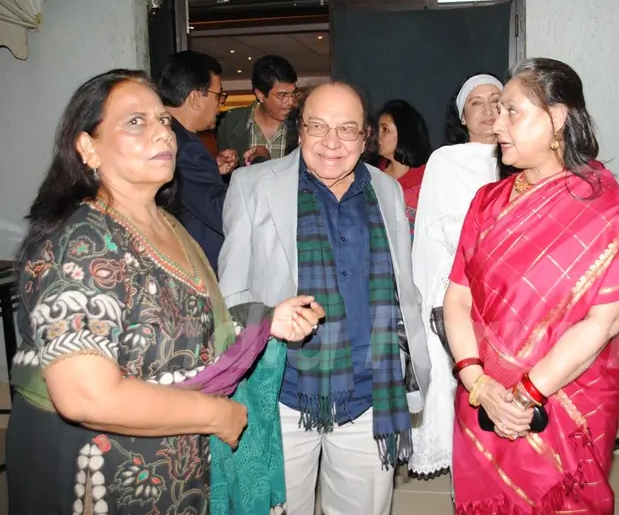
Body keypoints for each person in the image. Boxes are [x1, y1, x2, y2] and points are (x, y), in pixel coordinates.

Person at [5, 69, 323, 515]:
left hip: (174, 468)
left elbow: (184, 327)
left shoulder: (166, 224)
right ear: (87, 146)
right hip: (99, 472)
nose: (162, 133)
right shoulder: (81, 241)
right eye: (136, 121)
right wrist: (215, 415)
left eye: (163, 121)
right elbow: (86, 395)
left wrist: (268, 319)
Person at [445, 58, 619, 514]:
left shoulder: (603, 206)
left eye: (511, 111)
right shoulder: (487, 202)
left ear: (557, 118)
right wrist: (478, 382)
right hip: (484, 395)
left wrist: (524, 397)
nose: (496, 123)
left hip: (557, 402)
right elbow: (457, 299)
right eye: (497, 111)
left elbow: (607, 320)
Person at [218, 81, 431, 515]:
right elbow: (230, 299)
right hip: (283, 395)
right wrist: (268, 317)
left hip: (370, 395)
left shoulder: (385, 190)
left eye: (347, 129)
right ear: (300, 131)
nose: (332, 142)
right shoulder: (253, 186)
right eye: (318, 126)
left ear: (364, 136)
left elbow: (401, 289)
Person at [408, 73, 503, 478]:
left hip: (510, 291)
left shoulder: (522, 156)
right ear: (463, 116)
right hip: (458, 284)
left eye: (496, 99)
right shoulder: (446, 160)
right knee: (463, 378)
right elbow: (434, 231)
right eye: (476, 103)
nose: (487, 110)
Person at [158, 50, 231, 273]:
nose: (220, 105)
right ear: (195, 98)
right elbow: (221, 212)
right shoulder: (184, 146)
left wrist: (210, 169)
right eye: (218, 95)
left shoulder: (167, 135)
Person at [216, 54, 299, 165]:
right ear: (260, 94)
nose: (290, 102)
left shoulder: (301, 123)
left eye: (293, 94)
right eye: (282, 96)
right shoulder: (230, 123)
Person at [376, 99, 432, 236]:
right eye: (378, 129)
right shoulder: (372, 176)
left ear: (404, 133)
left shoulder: (429, 179)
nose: (378, 136)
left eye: (385, 129)